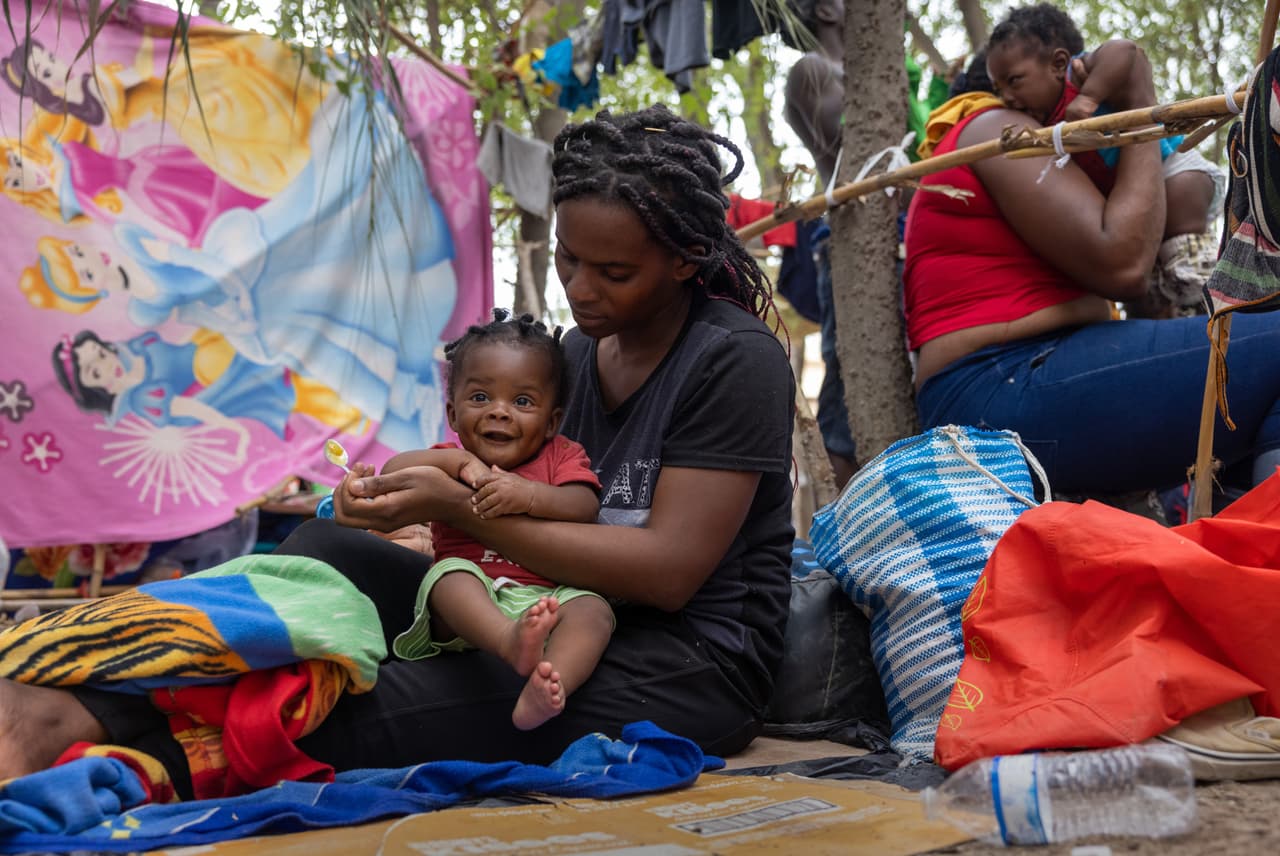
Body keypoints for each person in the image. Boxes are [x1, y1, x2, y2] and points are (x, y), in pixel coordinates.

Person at [0, 104, 796, 793]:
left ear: (685, 260)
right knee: (322, 550)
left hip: (686, 664)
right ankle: (79, 682)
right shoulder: (581, 356)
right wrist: (397, 507)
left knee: (362, 708)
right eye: (567, 259)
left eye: (613, 271)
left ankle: (89, 734)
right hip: (541, 611)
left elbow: (666, 575)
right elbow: (501, 489)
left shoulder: (732, 358)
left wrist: (467, 517)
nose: (580, 289)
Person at [903, 21, 1280, 499]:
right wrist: (1138, 99)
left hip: (1031, 371)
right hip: (995, 385)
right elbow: (1123, 265)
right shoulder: (993, 126)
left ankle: (1250, 556)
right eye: (1008, 85)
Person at [382, 309, 614, 732]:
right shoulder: (451, 464)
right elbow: (393, 470)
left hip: (546, 599)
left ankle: (548, 685)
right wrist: (454, 461)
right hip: (473, 605)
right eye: (480, 398)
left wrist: (527, 495)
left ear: (552, 421)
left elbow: (583, 505)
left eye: (522, 401)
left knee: (594, 611)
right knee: (448, 577)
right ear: (453, 415)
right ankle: (508, 641)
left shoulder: (561, 455)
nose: (500, 412)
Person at [984, 3, 1223, 316]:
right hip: (1140, 207)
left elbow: (1125, 52)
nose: (1007, 98)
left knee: (1182, 245)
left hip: (1176, 170)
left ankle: (1204, 297)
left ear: (1057, 64)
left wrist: (1089, 97)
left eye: (1014, 80)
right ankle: (1172, 316)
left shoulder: (1078, 76)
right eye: (997, 89)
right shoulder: (1041, 126)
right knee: (1148, 297)